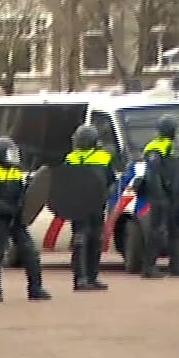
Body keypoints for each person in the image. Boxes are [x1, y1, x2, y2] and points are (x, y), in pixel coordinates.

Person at [0, 137, 50, 303]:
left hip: (17, 220)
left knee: (30, 252)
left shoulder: (17, 174)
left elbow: (25, 196)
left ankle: (35, 288)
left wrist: (28, 195)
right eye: (9, 153)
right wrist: (11, 209)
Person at [64, 124, 116, 292]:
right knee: (82, 241)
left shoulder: (102, 157)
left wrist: (107, 194)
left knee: (95, 241)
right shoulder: (71, 158)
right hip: (81, 207)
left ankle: (92, 278)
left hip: (94, 206)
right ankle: (81, 279)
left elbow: (111, 181)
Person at [138, 115, 179, 279]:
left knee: (175, 231)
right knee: (157, 231)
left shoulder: (174, 146)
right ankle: (149, 267)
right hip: (161, 196)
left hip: (175, 196)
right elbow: (153, 174)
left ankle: (175, 266)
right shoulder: (155, 147)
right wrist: (161, 195)